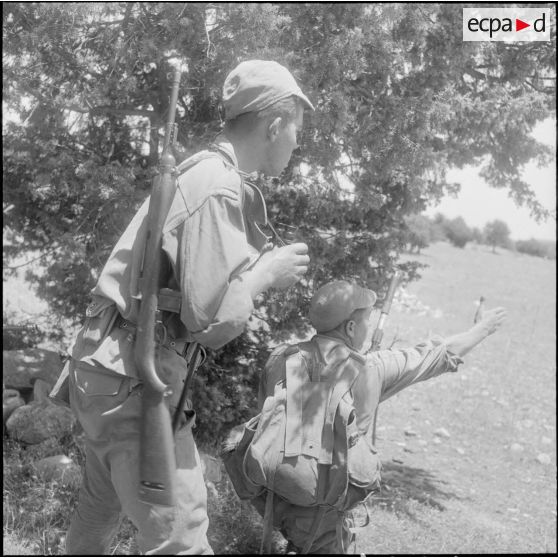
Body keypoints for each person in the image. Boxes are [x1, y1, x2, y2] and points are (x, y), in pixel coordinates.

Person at [55, 60, 314, 555]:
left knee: (100, 507)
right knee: (181, 539)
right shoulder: (218, 184)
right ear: (274, 125)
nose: (297, 142)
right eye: (296, 129)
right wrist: (266, 273)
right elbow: (211, 319)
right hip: (136, 378)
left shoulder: (199, 171)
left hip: (104, 366)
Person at [253, 280, 507, 554]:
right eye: (367, 320)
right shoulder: (370, 368)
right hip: (326, 506)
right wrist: (482, 329)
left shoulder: (281, 358)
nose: (369, 326)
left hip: (275, 494)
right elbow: (438, 354)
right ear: (351, 328)